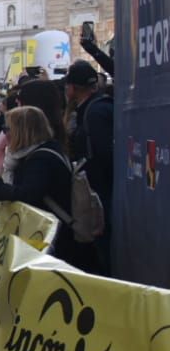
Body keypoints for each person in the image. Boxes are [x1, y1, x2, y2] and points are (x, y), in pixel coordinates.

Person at [0, 107, 80, 256]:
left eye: (7, 128)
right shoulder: (39, 153)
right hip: (48, 233)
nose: (5, 133)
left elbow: (28, 194)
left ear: (23, 130)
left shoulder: (41, 159)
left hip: (53, 238)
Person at [61, 61, 113, 274]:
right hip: (100, 191)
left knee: (102, 250)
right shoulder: (96, 107)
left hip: (100, 193)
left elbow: (102, 154)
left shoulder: (94, 111)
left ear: (72, 88)